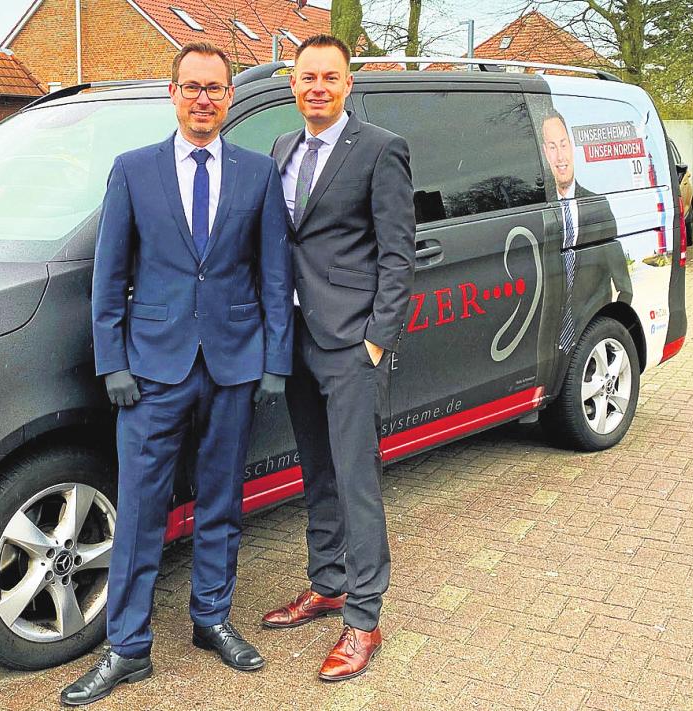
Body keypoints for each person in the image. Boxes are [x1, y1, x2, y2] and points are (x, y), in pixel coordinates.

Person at [61, 42, 293, 706]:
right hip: (150, 373)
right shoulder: (133, 172)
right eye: (191, 87)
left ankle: (211, 618)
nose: (202, 99)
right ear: (172, 93)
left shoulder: (256, 175)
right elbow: (108, 280)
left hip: (232, 368)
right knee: (138, 511)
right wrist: (112, 363)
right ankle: (127, 647)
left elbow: (273, 278)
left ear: (227, 98)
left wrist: (274, 361)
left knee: (221, 502)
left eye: (214, 89)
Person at [260, 34, 415, 682]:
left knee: (355, 479)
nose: (317, 86)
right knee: (316, 471)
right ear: (292, 85)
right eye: (306, 77)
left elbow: (397, 255)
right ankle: (325, 583)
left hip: (350, 343)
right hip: (296, 339)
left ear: (347, 84)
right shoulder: (282, 148)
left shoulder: (379, 149)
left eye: (329, 76)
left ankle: (364, 617)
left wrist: (375, 340)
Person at [539, 111, 631, 353]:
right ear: (544, 154)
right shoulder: (539, 213)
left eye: (563, 144)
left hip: (591, 341)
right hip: (550, 347)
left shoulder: (598, 207)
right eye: (552, 147)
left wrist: (612, 330)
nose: (560, 156)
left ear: (572, 146)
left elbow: (624, 284)